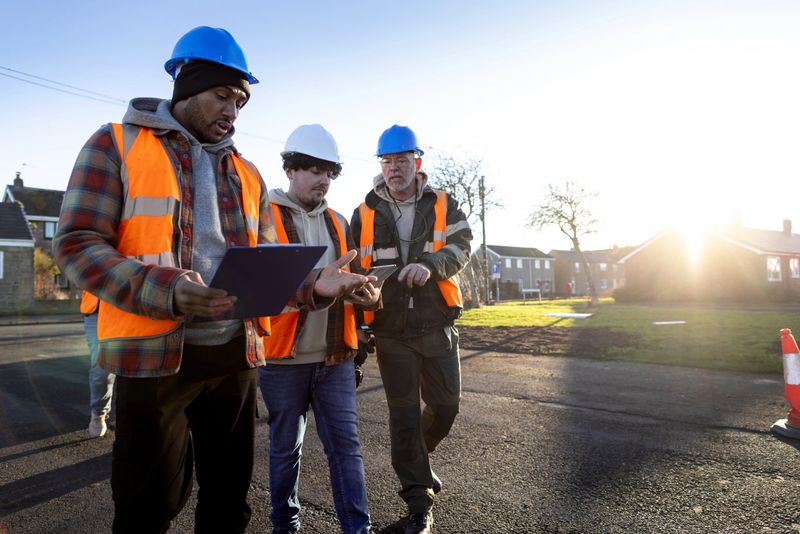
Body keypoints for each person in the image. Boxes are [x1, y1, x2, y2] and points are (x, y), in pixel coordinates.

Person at [53, 27, 371, 534]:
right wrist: (168, 289)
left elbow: (264, 268)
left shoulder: (246, 173)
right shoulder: (115, 144)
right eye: (222, 94)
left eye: (241, 101)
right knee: (147, 505)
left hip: (233, 355)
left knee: (228, 502)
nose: (233, 110)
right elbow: (76, 242)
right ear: (185, 85)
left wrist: (315, 287)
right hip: (152, 356)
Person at [350, 125, 473, 534]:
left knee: (446, 408)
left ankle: (420, 457)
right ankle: (418, 500)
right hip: (390, 331)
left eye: (402, 160)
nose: (394, 169)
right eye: (387, 162)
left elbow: (462, 246)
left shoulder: (442, 203)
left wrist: (433, 265)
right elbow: (352, 271)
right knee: (402, 416)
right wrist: (360, 330)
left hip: (436, 324)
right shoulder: (364, 211)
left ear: (417, 162)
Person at [259, 124, 378, 534]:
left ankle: (356, 529)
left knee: (346, 449)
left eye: (329, 171)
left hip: (336, 357)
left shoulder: (340, 221)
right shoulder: (264, 217)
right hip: (281, 358)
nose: (322, 179)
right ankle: (284, 525)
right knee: (284, 450)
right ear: (290, 170)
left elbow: (354, 277)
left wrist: (367, 295)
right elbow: (257, 287)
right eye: (312, 169)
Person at [81, 291, 116, 438]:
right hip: (97, 311)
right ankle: (99, 413)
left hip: (129, 310)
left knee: (131, 367)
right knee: (101, 368)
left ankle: (127, 414)